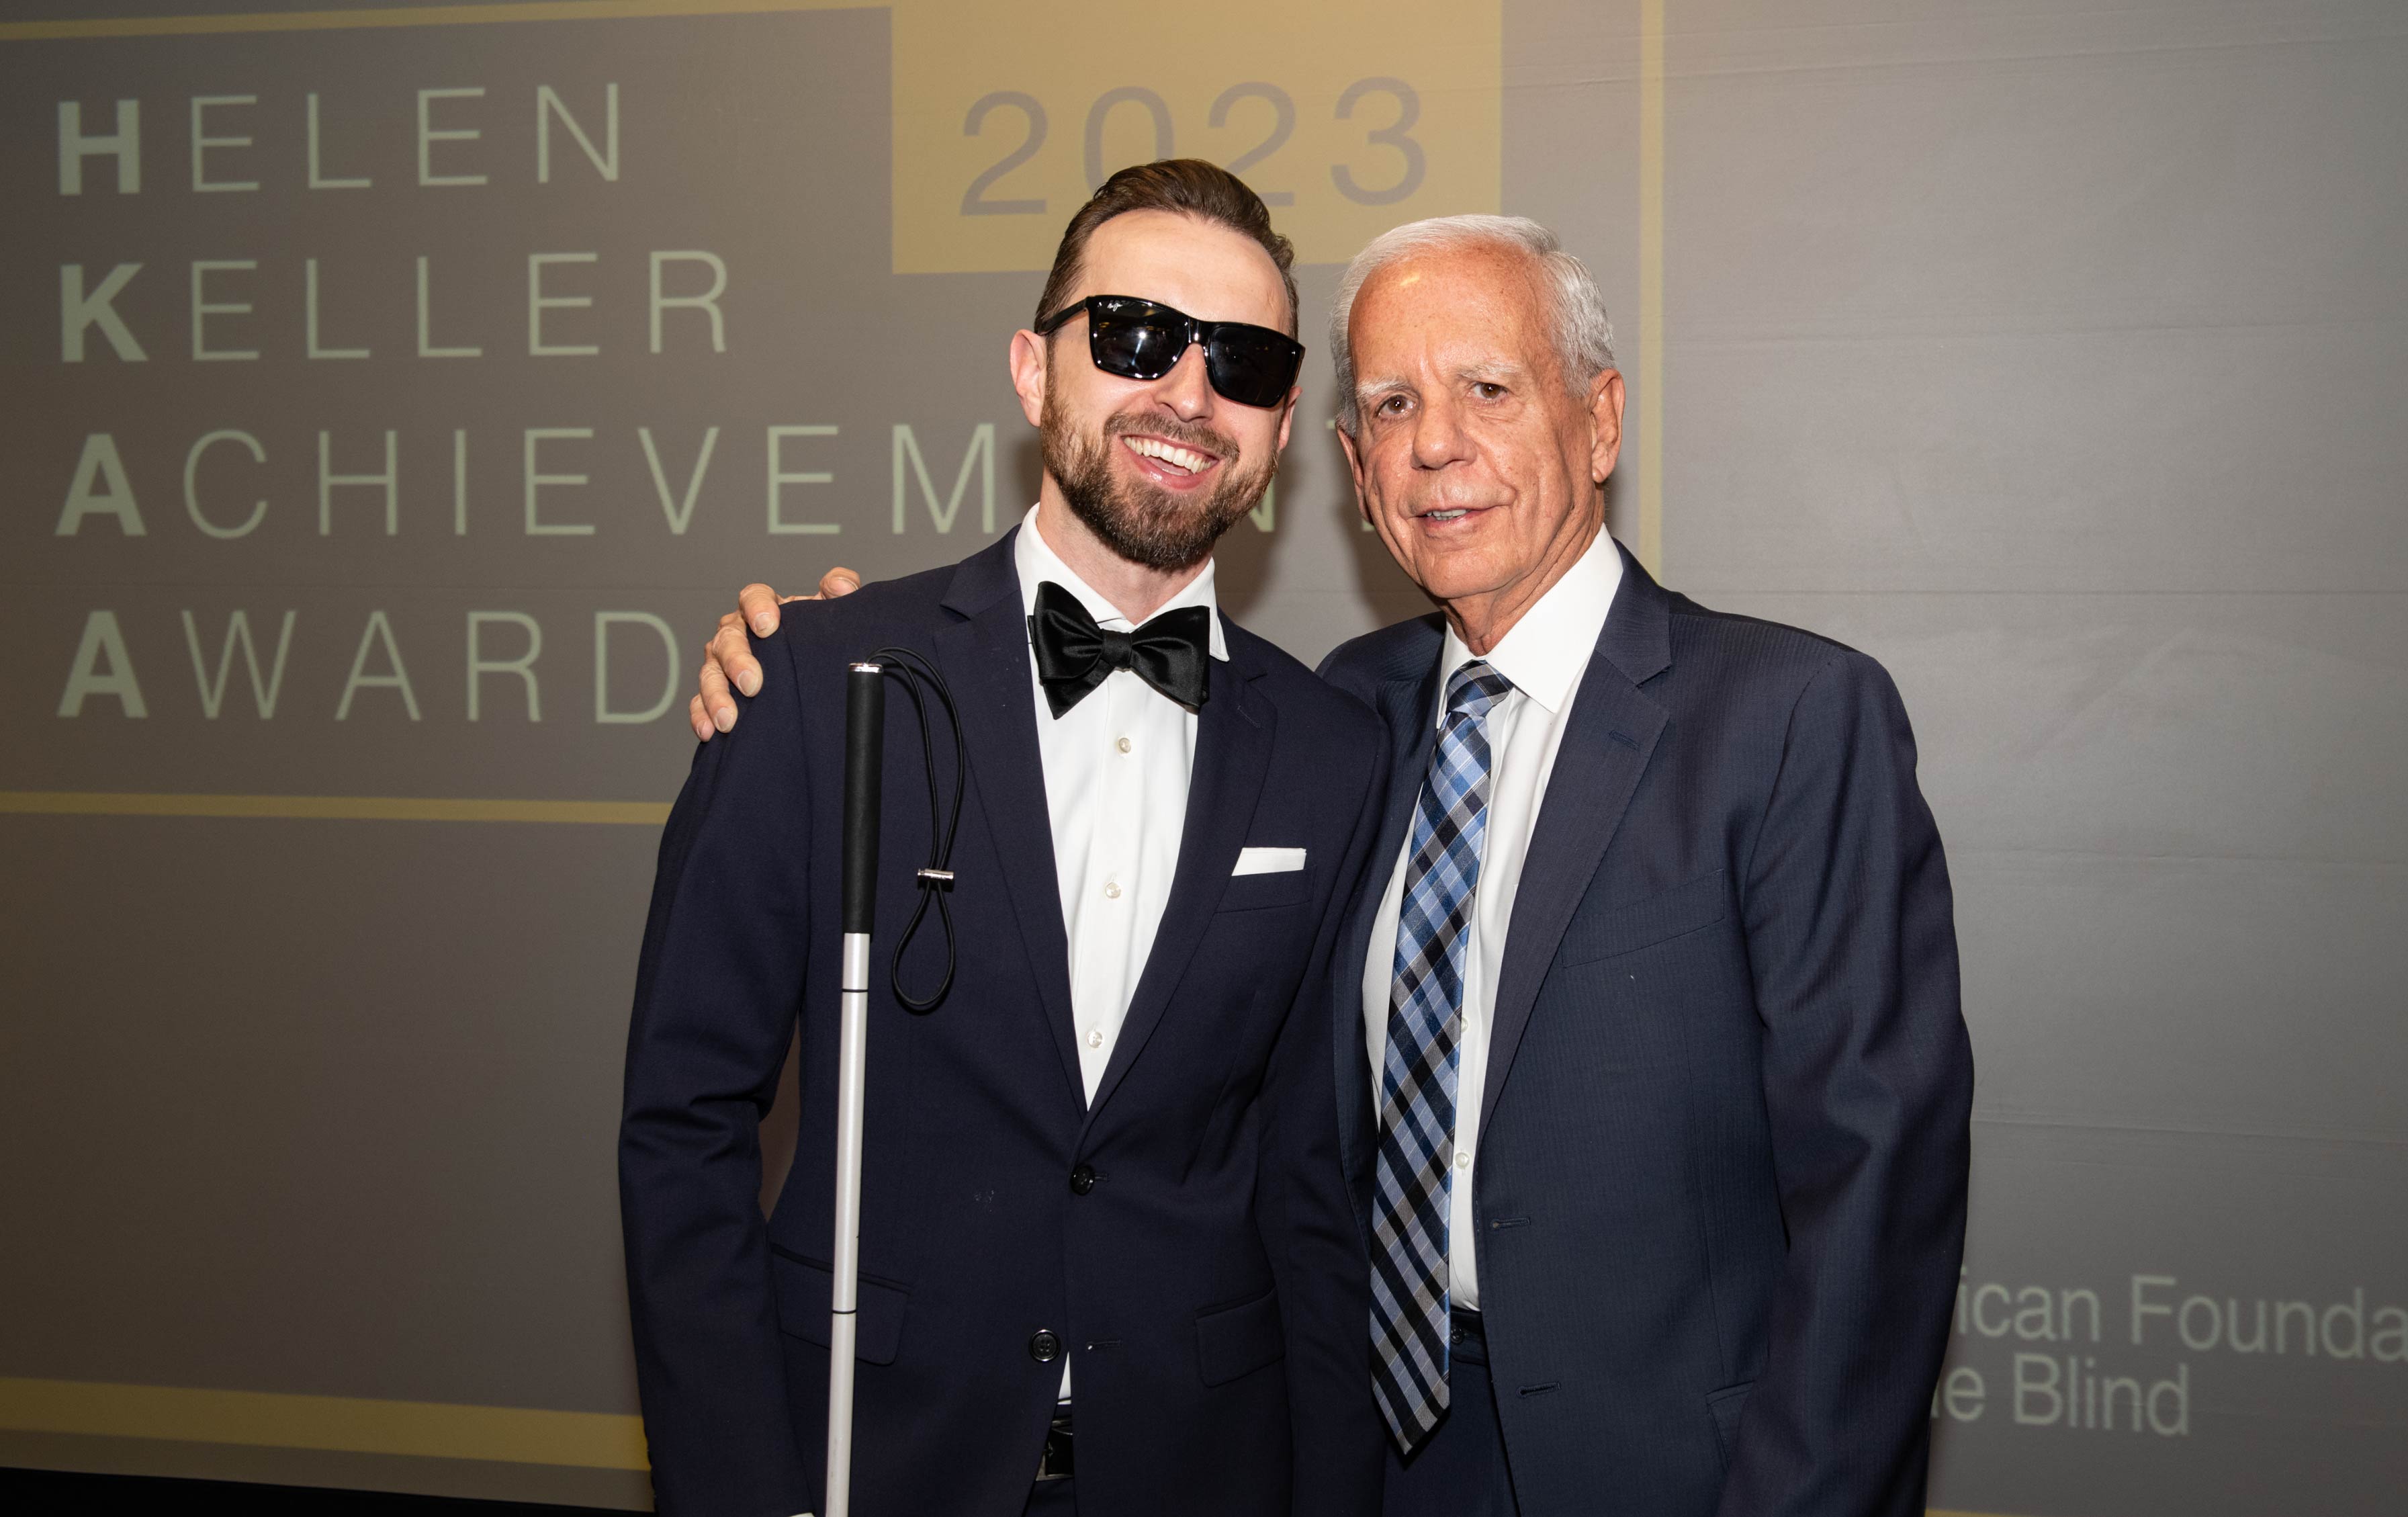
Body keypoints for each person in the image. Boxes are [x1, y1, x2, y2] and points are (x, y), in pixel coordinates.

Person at [699, 214, 1972, 1517]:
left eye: (1488, 387)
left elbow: (1879, 1193)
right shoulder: (1348, 719)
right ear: (1356, 469)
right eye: (1393, 405)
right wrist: (801, 654)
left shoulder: (1790, 716)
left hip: (1680, 1474)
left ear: (1599, 421)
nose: (1436, 443)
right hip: (1375, 1456)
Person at [621, 161, 1389, 1517]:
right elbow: (683, 1126)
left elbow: (1311, 1188)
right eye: (1136, 336)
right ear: (1035, 372)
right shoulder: (817, 682)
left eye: (1249, 363)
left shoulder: (1333, 753)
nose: (1188, 394)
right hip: (870, 1461)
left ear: (1277, 436)